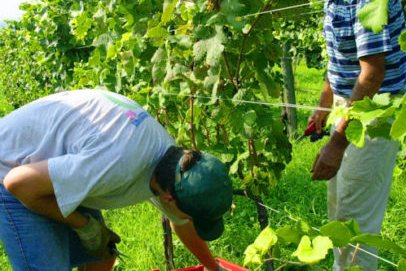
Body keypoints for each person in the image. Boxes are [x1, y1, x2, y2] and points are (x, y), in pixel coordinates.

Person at [0, 89, 233, 271]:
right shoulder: (116, 164)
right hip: (13, 170)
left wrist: (213, 268)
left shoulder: (175, 165)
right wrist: (82, 224)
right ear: (169, 198)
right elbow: (18, 183)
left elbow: (182, 222)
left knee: (101, 256)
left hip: (57, 163)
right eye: (192, 216)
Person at [310, 0, 406, 270]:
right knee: (340, 212)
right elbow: (339, 54)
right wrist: (325, 106)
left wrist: (337, 143)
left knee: (356, 226)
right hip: (350, 106)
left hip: (372, 113)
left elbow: (372, 74)